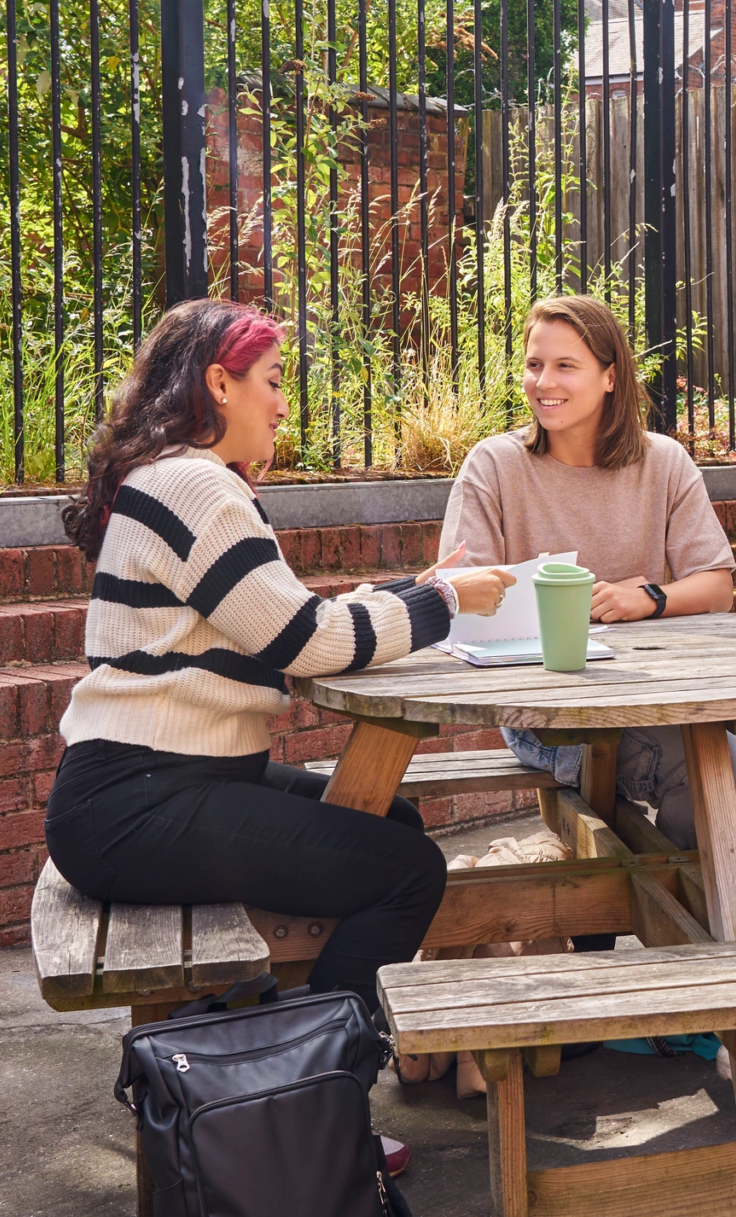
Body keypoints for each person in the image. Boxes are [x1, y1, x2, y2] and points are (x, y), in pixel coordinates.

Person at [43, 299, 514, 1034]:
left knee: (394, 821)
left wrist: (412, 593)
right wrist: (443, 604)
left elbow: (278, 617)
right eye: (272, 380)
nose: (283, 404)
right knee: (406, 872)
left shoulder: (180, 476)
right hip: (136, 805)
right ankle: (313, 1090)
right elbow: (304, 643)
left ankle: (294, 1047)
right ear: (219, 385)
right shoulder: (194, 486)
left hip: (159, 783)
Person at [439, 293, 736, 853]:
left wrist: (648, 598)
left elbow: (717, 584)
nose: (542, 382)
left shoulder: (663, 461)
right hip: (551, 716)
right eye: (534, 365)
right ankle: (718, 933)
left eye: (564, 366)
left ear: (610, 376)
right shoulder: (494, 466)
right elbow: (459, 598)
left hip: (667, 693)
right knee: (708, 764)